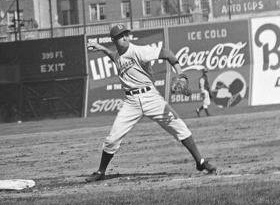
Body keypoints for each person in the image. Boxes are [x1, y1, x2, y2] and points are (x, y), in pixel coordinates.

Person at [85, 24, 217, 182]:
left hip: (150, 97)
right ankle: (101, 171)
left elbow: (167, 54)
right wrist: (101, 48)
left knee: (180, 127)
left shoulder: (139, 50)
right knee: (112, 139)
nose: (126, 37)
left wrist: (181, 74)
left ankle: (200, 162)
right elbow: (114, 57)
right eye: (121, 36)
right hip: (131, 102)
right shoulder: (119, 56)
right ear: (113, 40)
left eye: (127, 34)